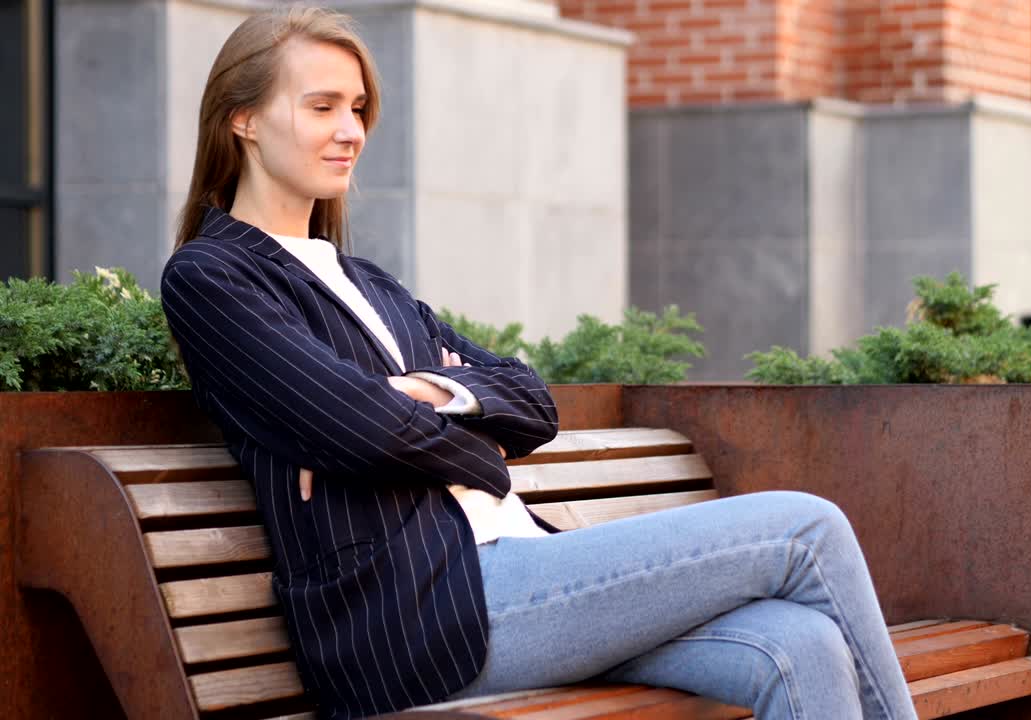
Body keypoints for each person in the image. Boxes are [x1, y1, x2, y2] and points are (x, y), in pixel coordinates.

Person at [160, 6, 918, 720]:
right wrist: (476, 445)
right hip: (424, 615)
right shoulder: (213, 276)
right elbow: (362, 427)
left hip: (527, 575)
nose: (350, 130)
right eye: (322, 106)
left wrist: (430, 393)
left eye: (358, 109)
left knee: (801, 644)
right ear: (243, 119)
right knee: (808, 529)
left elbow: (531, 401)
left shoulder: (370, 283)